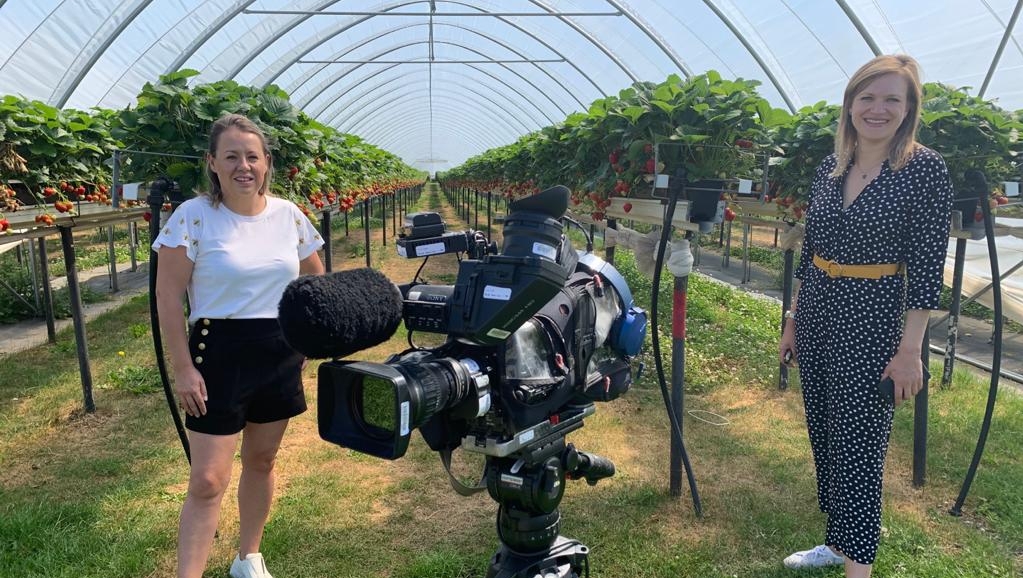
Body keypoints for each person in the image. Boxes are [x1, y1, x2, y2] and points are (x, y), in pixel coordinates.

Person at [777, 55, 952, 577]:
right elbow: (811, 253)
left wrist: (910, 351)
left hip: (872, 316)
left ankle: (859, 566)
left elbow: (925, 267)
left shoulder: (924, 170)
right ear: (850, 105)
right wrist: (792, 319)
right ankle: (837, 540)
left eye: (891, 99)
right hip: (819, 312)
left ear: (909, 108)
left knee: (859, 443)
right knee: (825, 431)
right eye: (867, 97)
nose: (877, 109)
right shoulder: (830, 169)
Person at [153, 113, 325, 578]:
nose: (242, 166)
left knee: (262, 460)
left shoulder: (289, 215)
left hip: (277, 353)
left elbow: (316, 280)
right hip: (218, 354)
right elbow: (168, 298)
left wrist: (305, 334)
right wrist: (184, 369)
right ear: (212, 162)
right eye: (231, 156)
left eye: (252, 156)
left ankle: (248, 557)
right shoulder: (193, 216)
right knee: (207, 479)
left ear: (267, 163)